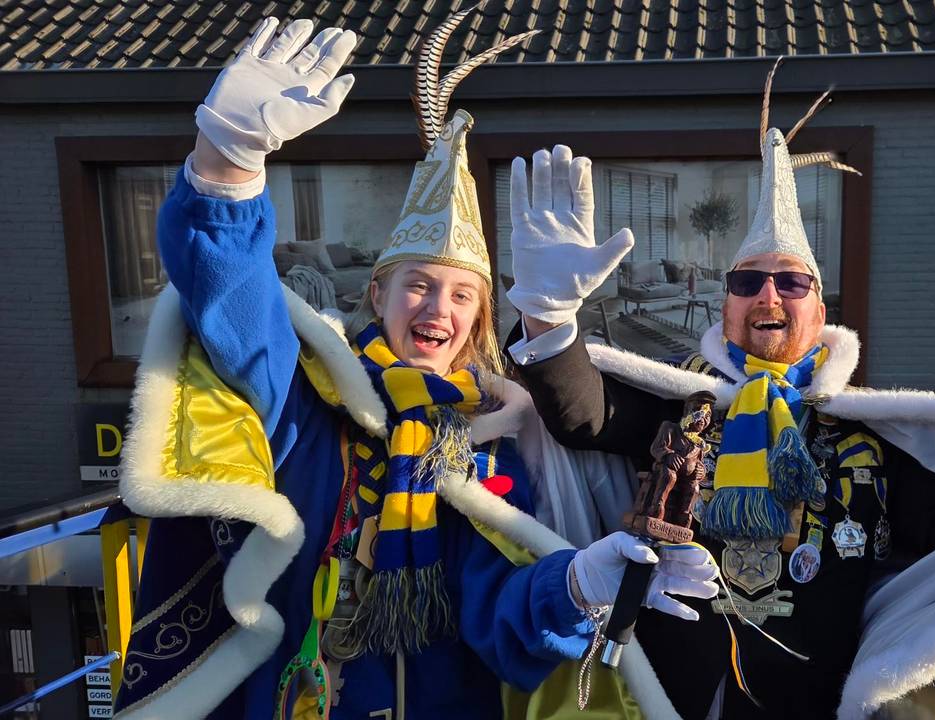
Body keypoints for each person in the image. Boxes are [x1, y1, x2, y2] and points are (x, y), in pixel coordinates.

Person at [113, 14, 716, 719]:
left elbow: (498, 614)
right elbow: (236, 308)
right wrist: (226, 170)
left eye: (463, 294)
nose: (439, 307)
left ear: (478, 320)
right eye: (419, 285)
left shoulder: (485, 450)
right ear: (378, 296)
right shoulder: (310, 406)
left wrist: (578, 584)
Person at [503, 61, 935, 719]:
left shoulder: (866, 436)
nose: (767, 295)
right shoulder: (683, 406)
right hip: (667, 701)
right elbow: (580, 417)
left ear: (820, 315)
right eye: (746, 283)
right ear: (725, 310)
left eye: (790, 283)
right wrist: (547, 313)